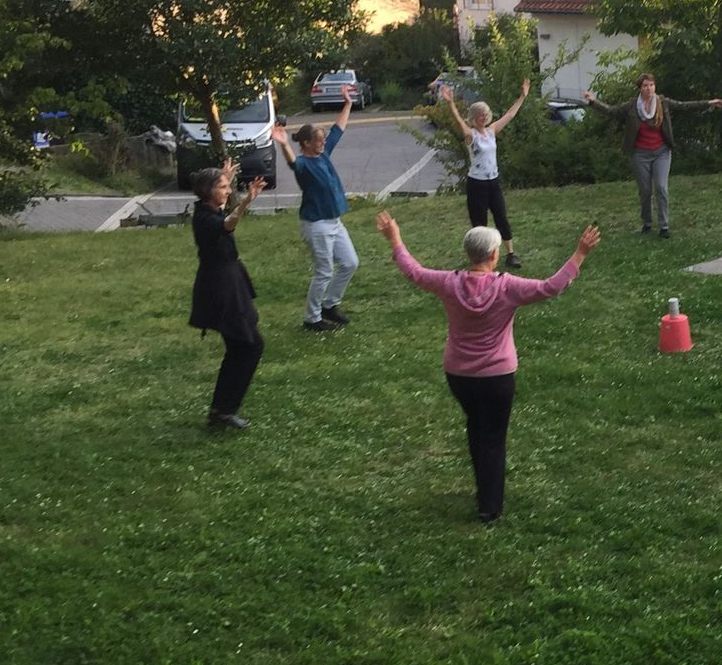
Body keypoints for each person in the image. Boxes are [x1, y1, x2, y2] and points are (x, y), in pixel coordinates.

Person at [374, 209, 600, 523]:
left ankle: (483, 486)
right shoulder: (507, 286)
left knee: (476, 426)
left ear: (469, 254)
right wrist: (580, 253)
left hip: (459, 375)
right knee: (493, 436)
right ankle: (489, 507)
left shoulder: (448, 283)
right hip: (497, 377)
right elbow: (551, 287)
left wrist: (395, 238)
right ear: (494, 255)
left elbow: (414, 272)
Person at [583, 72, 722, 238]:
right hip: (640, 154)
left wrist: (708, 103)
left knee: (661, 188)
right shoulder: (632, 106)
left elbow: (684, 106)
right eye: (645, 86)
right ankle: (647, 223)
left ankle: (664, 227)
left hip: (661, 152)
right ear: (640, 88)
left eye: (651, 85)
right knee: (645, 191)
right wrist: (593, 101)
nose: (649, 88)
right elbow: (612, 111)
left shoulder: (662, 103)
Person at [187, 162, 266, 430]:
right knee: (250, 345)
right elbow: (228, 224)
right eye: (223, 187)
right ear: (208, 191)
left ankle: (221, 410)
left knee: (242, 346)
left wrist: (226, 177)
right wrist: (245, 202)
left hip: (230, 282)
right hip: (222, 289)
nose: (228, 191)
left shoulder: (208, 208)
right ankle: (224, 411)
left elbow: (222, 210)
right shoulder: (205, 219)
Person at [271, 96, 358, 333]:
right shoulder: (303, 165)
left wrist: (348, 104)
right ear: (307, 143)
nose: (323, 143)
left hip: (334, 222)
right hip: (316, 224)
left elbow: (338, 130)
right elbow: (292, 163)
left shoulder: (323, 154)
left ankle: (329, 305)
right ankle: (312, 318)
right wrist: (284, 144)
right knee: (324, 271)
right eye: (318, 140)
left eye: (323, 140)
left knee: (350, 263)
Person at [439, 77, 531, 269]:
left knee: (501, 216)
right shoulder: (470, 136)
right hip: (477, 183)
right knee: (479, 222)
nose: (484, 116)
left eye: (486, 114)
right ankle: (480, 257)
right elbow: (458, 121)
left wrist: (522, 96)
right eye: (481, 114)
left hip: (493, 182)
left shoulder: (491, 131)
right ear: (474, 118)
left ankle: (510, 254)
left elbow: (510, 115)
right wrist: (450, 103)